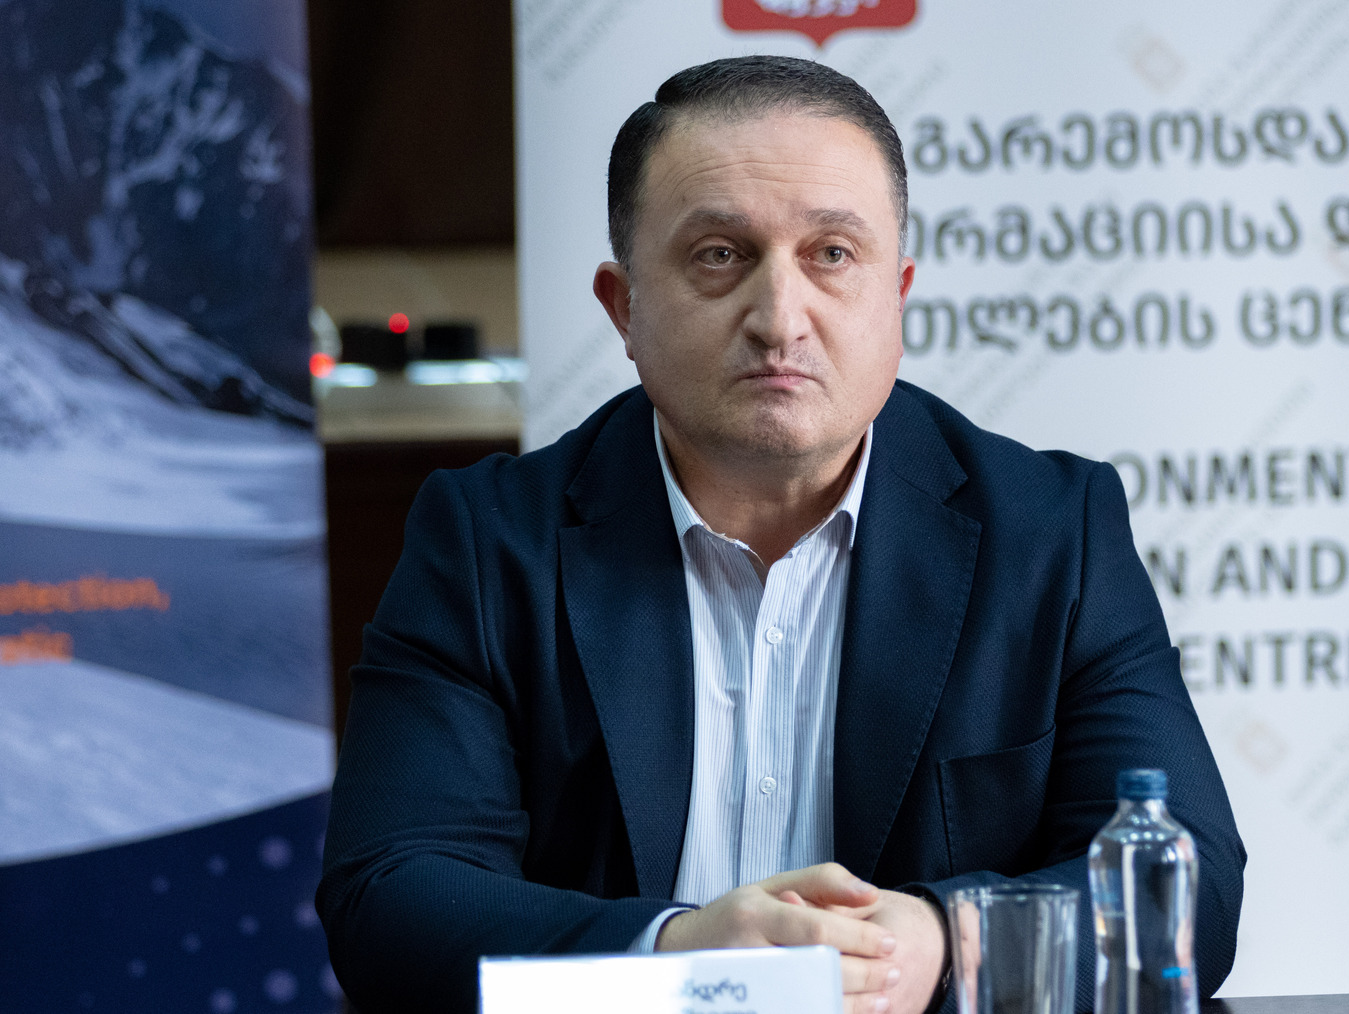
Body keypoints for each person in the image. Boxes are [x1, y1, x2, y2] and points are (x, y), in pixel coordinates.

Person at [317, 56, 1246, 1014]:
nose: (779, 318)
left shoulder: (1051, 533)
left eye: (832, 255)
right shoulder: (487, 541)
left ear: (897, 294)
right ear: (624, 308)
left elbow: (1188, 891)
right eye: (720, 255)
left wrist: (940, 942)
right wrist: (677, 955)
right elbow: (389, 897)